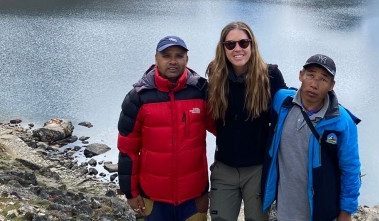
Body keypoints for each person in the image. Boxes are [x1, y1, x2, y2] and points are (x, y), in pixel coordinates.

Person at [117, 35, 213, 221]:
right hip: (153, 198)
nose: (173, 61)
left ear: (187, 59)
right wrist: (130, 193)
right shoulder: (138, 97)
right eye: (166, 55)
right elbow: (127, 150)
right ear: (156, 59)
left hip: (193, 196)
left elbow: (225, 130)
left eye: (179, 56)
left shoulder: (201, 91)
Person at [262, 54, 361, 221]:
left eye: (323, 79)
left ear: (332, 85)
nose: (314, 84)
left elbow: (350, 168)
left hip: (321, 209)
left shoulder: (341, 121)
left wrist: (346, 211)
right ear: (301, 75)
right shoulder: (282, 101)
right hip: (285, 208)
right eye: (311, 75)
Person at [205, 22, 286, 221]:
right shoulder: (216, 76)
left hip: (257, 169)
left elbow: (285, 115)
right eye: (230, 44)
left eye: (243, 42)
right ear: (223, 48)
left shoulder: (270, 76)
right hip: (224, 167)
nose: (237, 49)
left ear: (252, 45)